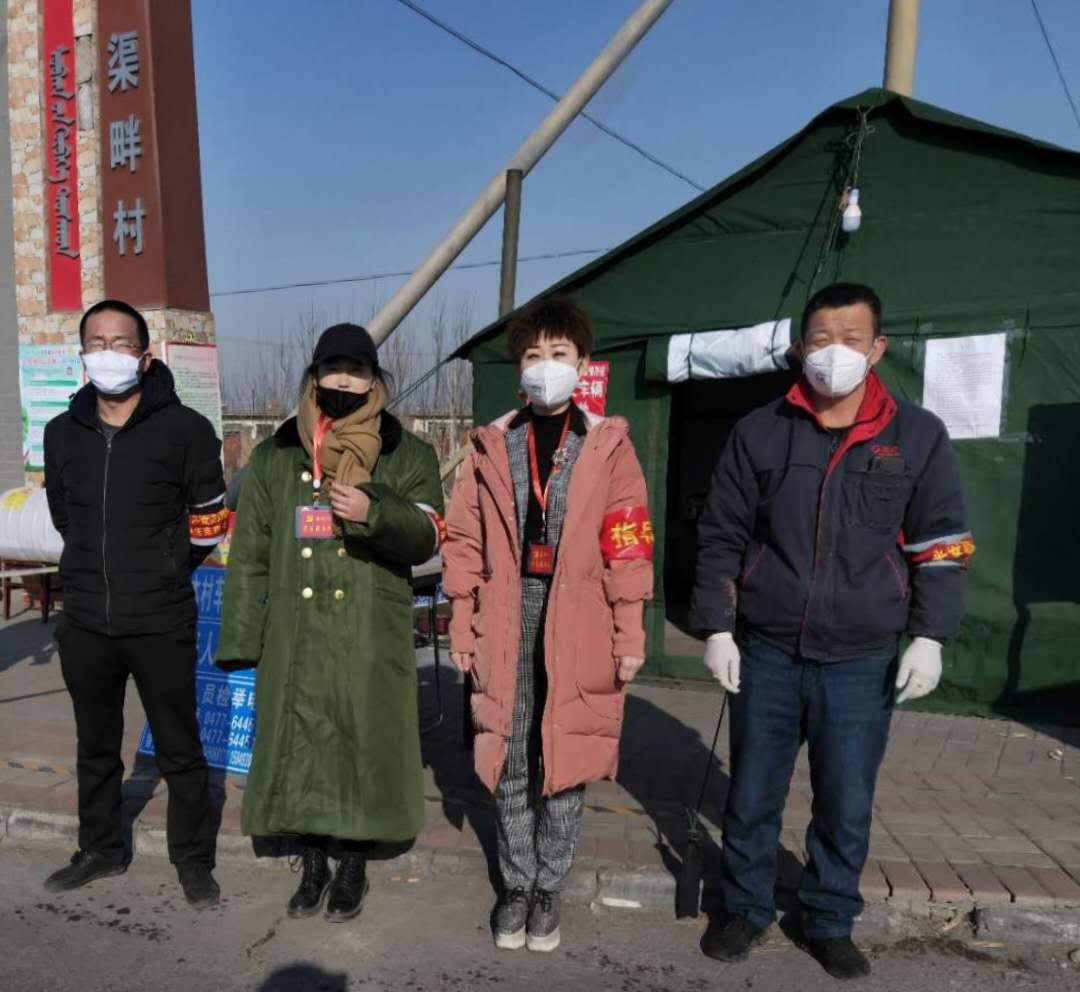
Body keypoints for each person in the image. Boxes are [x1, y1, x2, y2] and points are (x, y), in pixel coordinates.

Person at [691, 282, 974, 979]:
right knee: (751, 793)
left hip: (861, 657)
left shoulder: (917, 436)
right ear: (799, 349)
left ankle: (828, 918)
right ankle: (745, 908)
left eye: (851, 339)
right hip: (768, 650)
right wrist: (717, 626)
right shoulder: (761, 431)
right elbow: (721, 534)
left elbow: (940, 543)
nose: (834, 353)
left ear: (877, 349)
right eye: (821, 340)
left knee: (846, 800)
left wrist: (931, 635)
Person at [442, 297, 654, 953]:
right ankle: (515, 882)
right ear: (519, 370)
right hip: (508, 614)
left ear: (582, 364)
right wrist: (462, 623)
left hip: (581, 617)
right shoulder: (491, 446)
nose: (546, 366)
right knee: (509, 753)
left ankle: (548, 886)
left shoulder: (608, 446)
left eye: (559, 353)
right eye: (533, 355)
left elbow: (627, 546)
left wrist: (629, 633)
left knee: (566, 756)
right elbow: (465, 543)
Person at [214, 323, 444, 924]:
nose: (344, 380)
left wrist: (375, 510)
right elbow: (251, 555)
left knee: (361, 740)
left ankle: (353, 864)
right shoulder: (275, 455)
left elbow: (428, 536)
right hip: (295, 627)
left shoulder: (408, 453)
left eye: (357, 370)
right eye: (333, 368)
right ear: (314, 376)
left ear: (375, 380)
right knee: (304, 743)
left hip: (369, 628)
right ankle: (313, 860)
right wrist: (241, 640)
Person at [42, 299, 227, 908]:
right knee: (95, 746)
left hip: (159, 617)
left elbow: (208, 522)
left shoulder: (186, 430)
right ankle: (100, 848)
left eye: (121, 343)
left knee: (179, 746)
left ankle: (193, 859)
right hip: (86, 619)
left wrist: (165, 567)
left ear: (145, 357)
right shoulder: (62, 433)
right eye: (97, 342)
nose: (108, 353)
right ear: (82, 355)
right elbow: (65, 516)